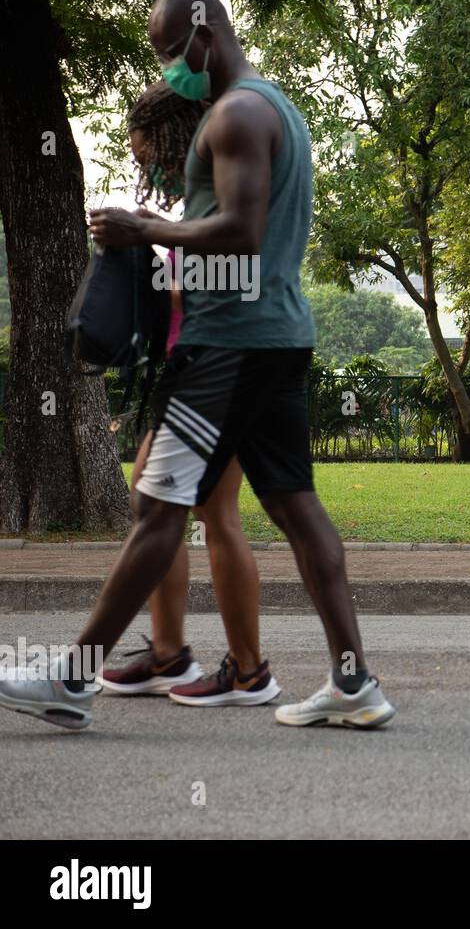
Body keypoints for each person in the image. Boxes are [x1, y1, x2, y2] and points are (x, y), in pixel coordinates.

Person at [0, 0, 393, 730]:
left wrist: (142, 227)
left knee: (156, 506)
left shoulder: (239, 113)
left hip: (231, 346)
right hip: (273, 338)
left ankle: (72, 678)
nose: (166, 65)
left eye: (168, 48)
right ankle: (353, 682)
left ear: (204, 37)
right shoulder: (274, 107)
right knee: (293, 506)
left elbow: (241, 230)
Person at [95, 81, 280, 707]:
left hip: (223, 367)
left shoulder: (218, 186)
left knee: (203, 512)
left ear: (176, 138)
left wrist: (155, 235)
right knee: (171, 503)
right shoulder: (195, 196)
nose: (146, 167)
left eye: (149, 155)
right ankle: (173, 652)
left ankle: (243, 668)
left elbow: (231, 272)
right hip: (195, 368)